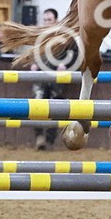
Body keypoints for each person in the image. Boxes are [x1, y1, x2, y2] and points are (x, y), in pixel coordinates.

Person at [31, 8, 77, 150]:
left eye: (49, 20)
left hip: (57, 78)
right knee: (36, 106)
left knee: (54, 107)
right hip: (42, 75)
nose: (46, 22)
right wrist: (33, 63)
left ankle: (49, 140)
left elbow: (75, 53)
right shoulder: (40, 36)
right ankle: (39, 137)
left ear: (56, 20)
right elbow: (34, 53)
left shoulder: (66, 36)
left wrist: (66, 64)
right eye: (44, 20)